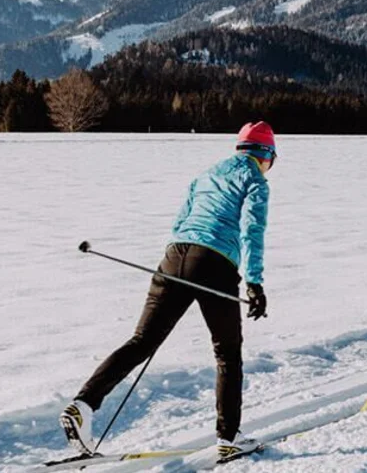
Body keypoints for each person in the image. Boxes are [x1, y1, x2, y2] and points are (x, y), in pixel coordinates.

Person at [59, 122, 276, 463]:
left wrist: (177, 266)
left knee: (142, 340)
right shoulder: (255, 181)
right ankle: (229, 437)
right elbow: (252, 230)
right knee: (227, 353)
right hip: (215, 263)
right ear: (266, 156)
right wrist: (255, 282)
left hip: (174, 257)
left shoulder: (206, 175)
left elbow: (180, 222)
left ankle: (83, 405)